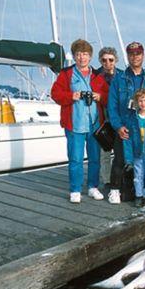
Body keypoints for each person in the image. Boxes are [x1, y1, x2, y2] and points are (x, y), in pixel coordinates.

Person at [51, 39, 108, 203]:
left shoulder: (97, 75)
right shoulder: (66, 74)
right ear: (74, 56)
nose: (82, 57)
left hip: (94, 124)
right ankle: (75, 189)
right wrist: (71, 96)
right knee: (75, 158)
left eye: (85, 54)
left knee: (95, 158)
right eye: (78, 54)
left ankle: (92, 187)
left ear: (90, 57)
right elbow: (55, 94)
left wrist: (100, 96)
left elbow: (108, 97)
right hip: (74, 124)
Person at [107, 41, 145, 204]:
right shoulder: (119, 79)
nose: (135, 57)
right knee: (120, 158)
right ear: (128, 56)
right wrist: (118, 126)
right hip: (126, 126)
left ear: (143, 55)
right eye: (131, 54)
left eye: (138, 53)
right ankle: (115, 189)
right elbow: (112, 105)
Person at [94, 47, 122, 187]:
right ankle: (106, 180)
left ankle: (120, 178)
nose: (107, 63)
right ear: (100, 61)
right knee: (105, 151)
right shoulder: (97, 78)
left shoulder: (122, 76)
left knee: (120, 151)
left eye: (110, 60)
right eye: (104, 60)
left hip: (120, 118)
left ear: (115, 60)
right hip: (104, 118)